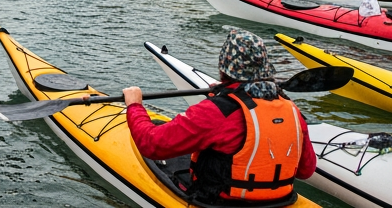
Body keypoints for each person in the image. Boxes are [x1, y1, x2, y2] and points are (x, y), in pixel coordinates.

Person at [121, 28, 316, 204]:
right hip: (280, 201)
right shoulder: (292, 110)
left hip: (220, 201)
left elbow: (152, 145)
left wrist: (135, 105)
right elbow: (306, 171)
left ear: (224, 66)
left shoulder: (215, 112)